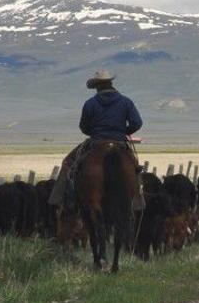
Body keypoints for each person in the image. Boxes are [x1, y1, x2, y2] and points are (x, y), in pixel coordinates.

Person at [49, 70, 144, 210]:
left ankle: (59, 200)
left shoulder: (90, 104)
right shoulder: (126, 102)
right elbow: (137, 123)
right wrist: (123, 133)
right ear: (111, 83)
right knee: (134, 167)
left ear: (97, 86)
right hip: (119, 141)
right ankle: (137, 201)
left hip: (96, 142)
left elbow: (83, 127)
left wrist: (95, 132)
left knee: (68, 162)